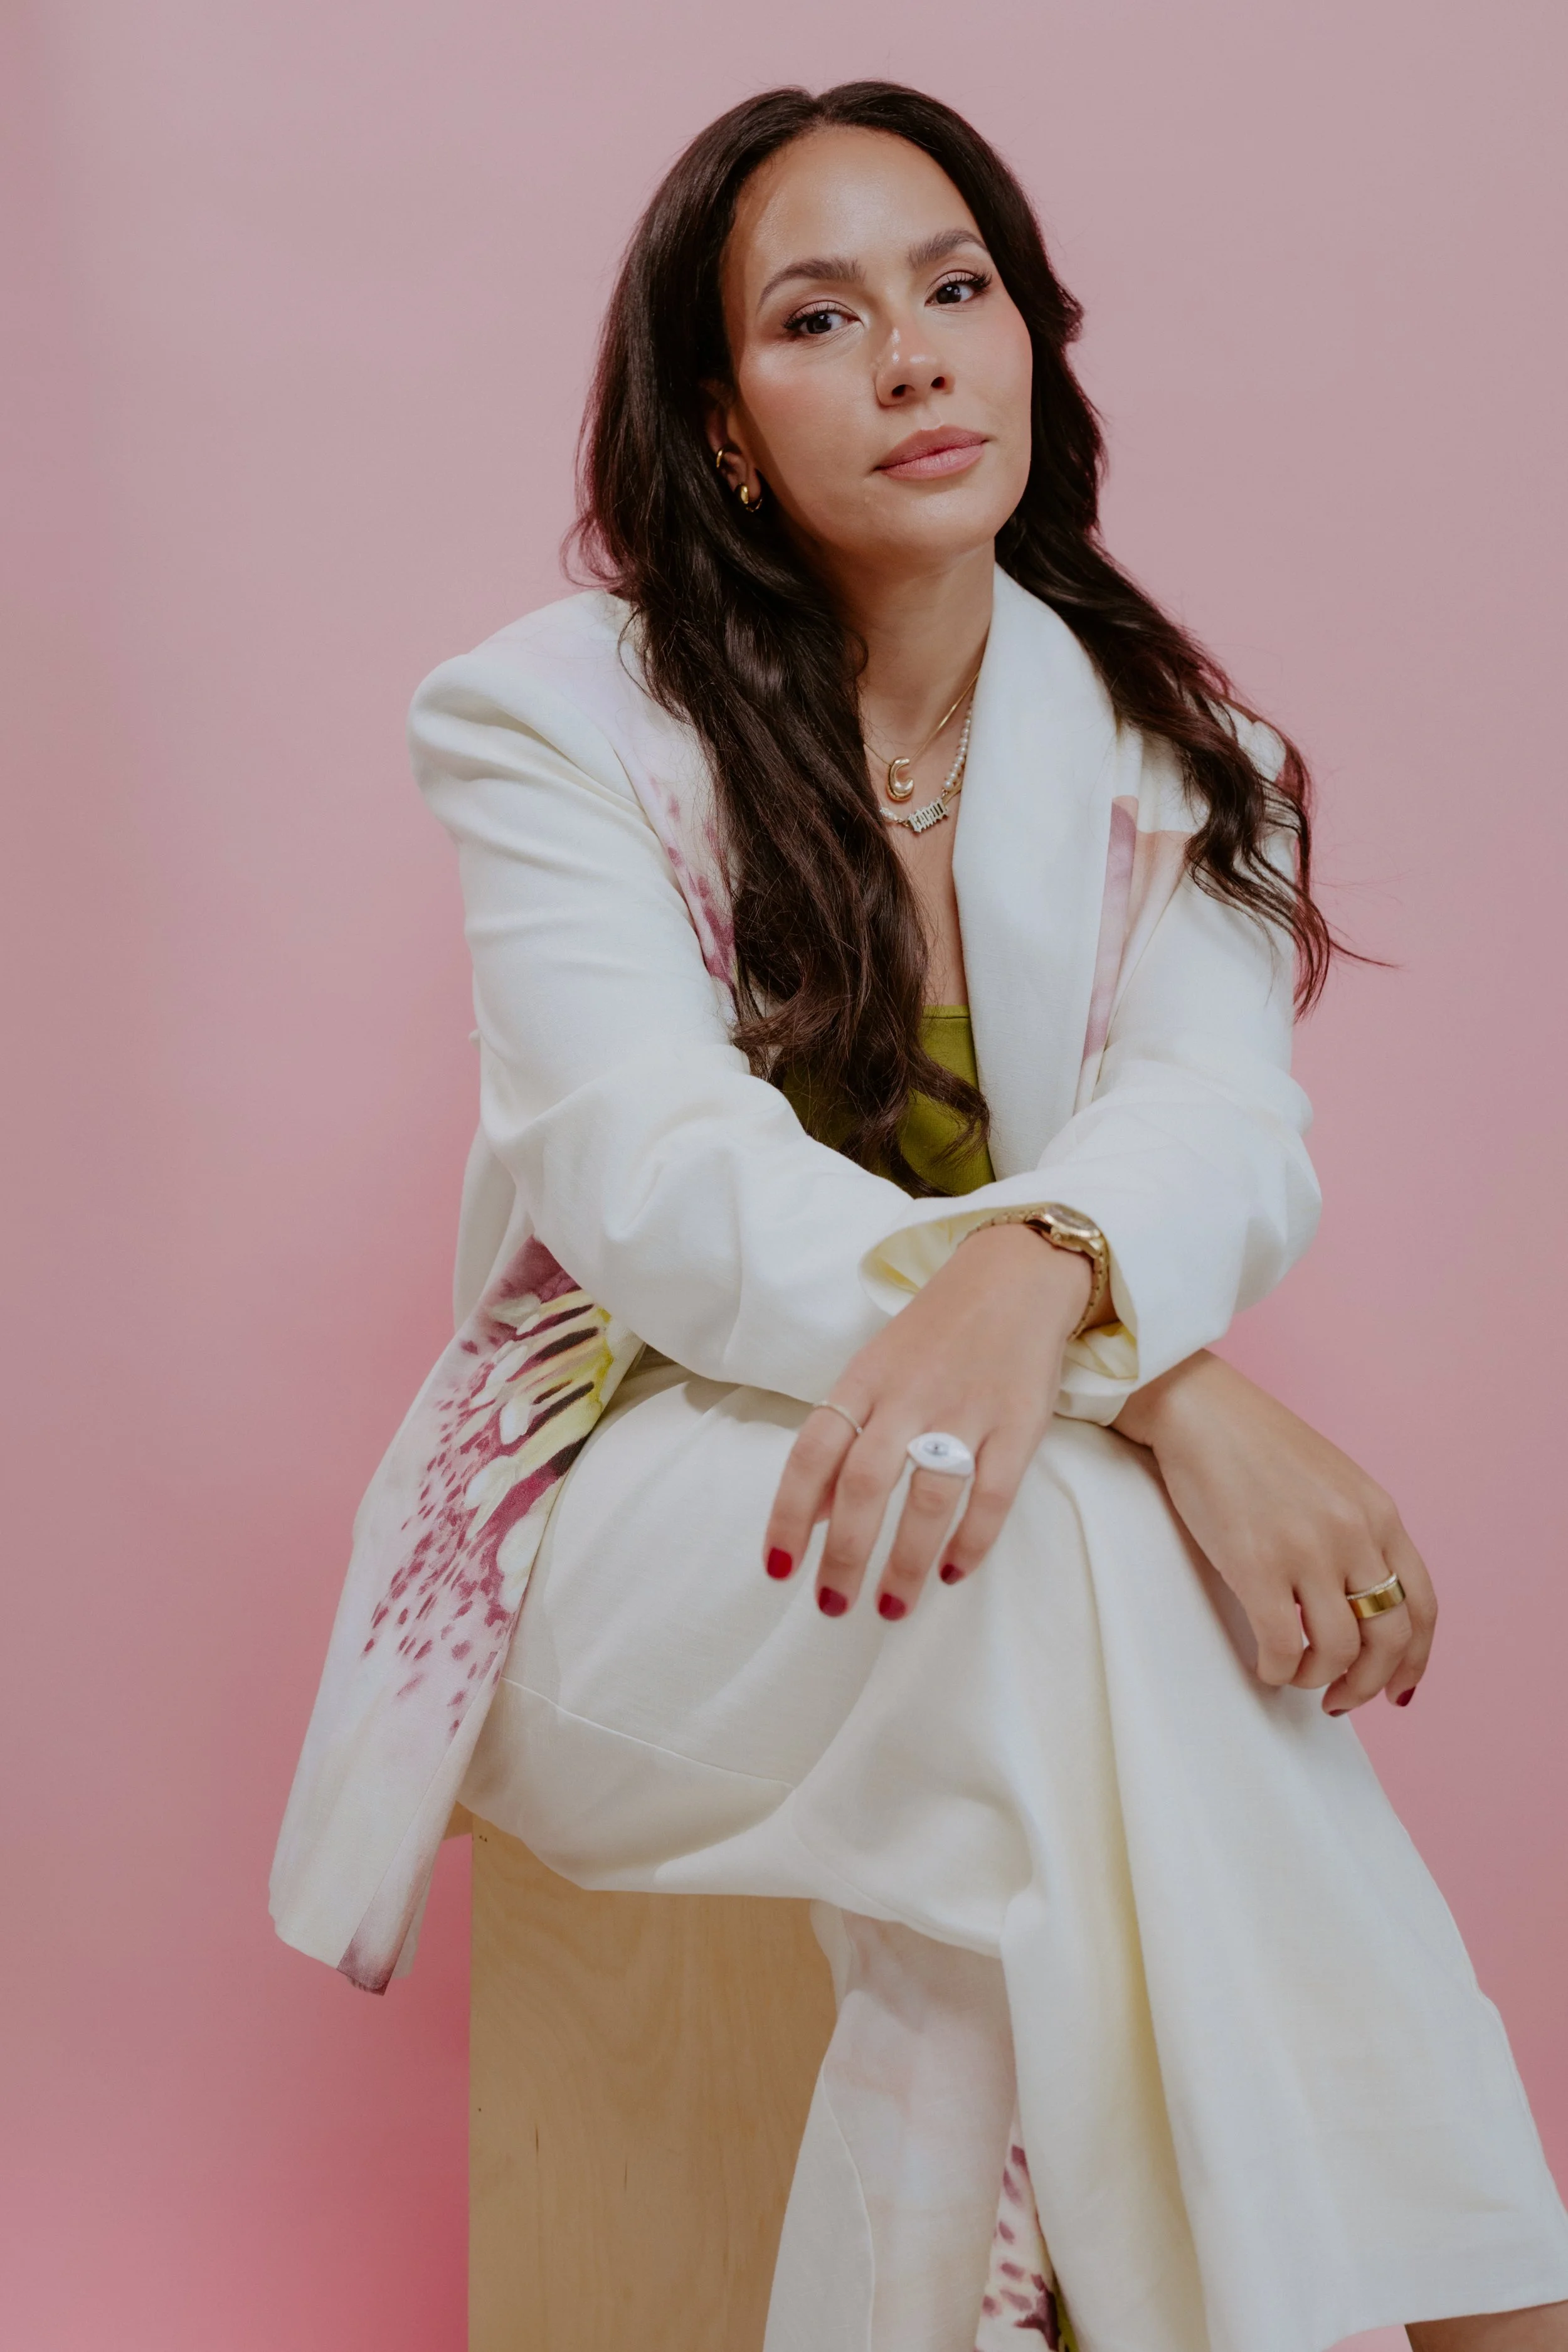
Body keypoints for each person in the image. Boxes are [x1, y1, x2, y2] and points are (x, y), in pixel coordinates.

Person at [270, 81, 1568, 2352]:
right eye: (818, 314)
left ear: (1031, 343)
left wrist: (1040, 1304)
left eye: (956, 286)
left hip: (973, 1538)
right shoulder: (554, 719)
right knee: (1085, 1548)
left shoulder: (1184, 760)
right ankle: (1491, 2315)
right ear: (724, 424)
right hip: (638, 1509)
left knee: (1025, 1779)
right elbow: (661, 1186)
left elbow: (1217, 1132)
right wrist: (1149, 1380)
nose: (914, 355)